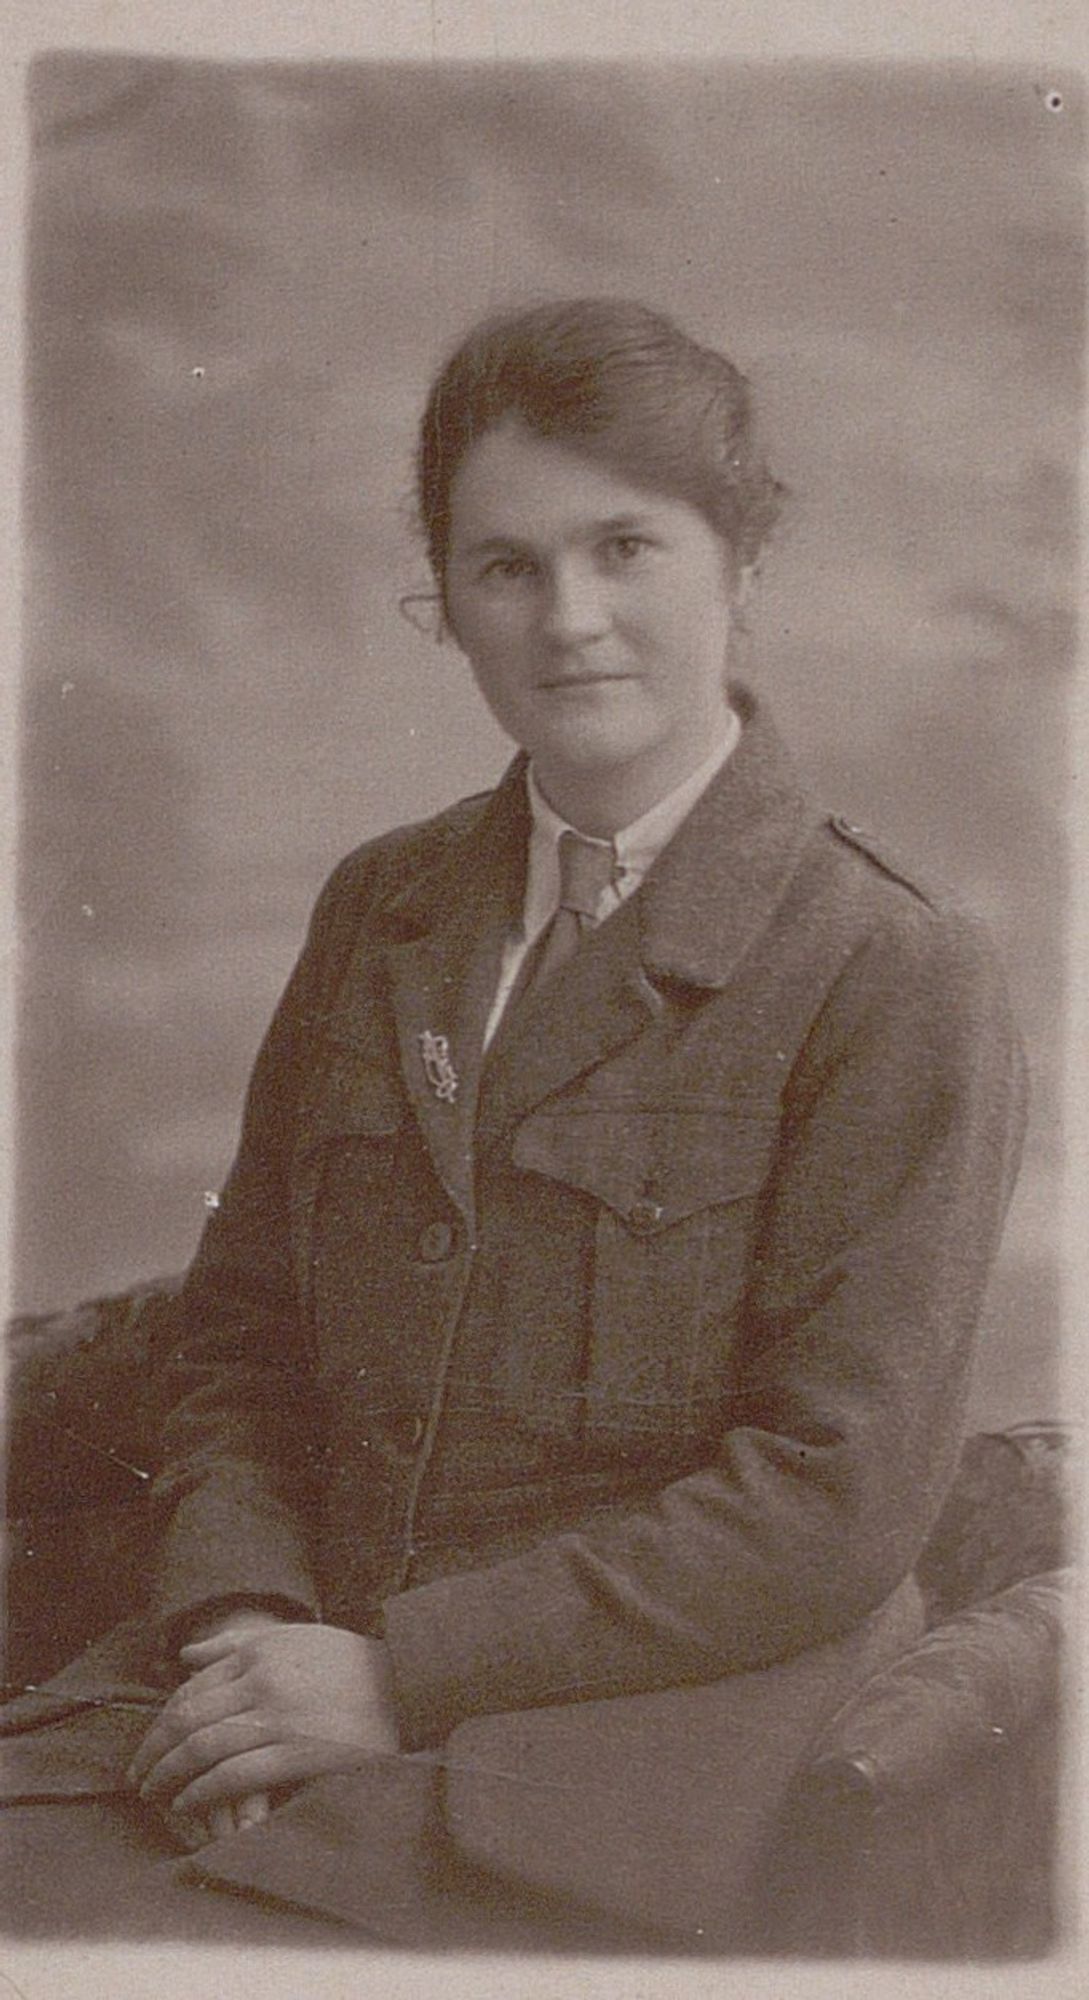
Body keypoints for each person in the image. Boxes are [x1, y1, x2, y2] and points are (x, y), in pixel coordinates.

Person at [1, 298, 1027, 1946]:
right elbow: (243, 1334)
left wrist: (402, 1678)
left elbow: (829, 1500)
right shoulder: (380, 909)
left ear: (740, 568)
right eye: (504, 567)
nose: (570, 621)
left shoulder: (888, 970)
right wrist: (244, 1623)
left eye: (626, 547)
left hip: (610, 1759)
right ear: (446, 604)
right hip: (269, 1674)